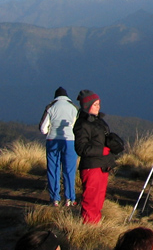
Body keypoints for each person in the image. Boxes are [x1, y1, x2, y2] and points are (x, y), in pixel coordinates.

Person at [73, 89, 122, 224]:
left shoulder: (99, 121)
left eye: (99, 104)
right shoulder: (82, 124)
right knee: (90, 201)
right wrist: (103, 150)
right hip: (91, 167)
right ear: (87, 106)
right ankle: (89, 230)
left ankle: (95, 226)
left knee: (98, 201)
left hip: (102, 166)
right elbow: (81, 148)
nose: (98, 107)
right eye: (95, 104)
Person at [38, 86, 79, 207]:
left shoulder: (51, 107)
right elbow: (77, 127)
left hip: (52, 139)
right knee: (69, 170)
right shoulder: (73, 108)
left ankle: (55, 199)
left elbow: (42, 128)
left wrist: (49, 131)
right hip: (70, 141)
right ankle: (70, 199)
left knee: (53, 169)